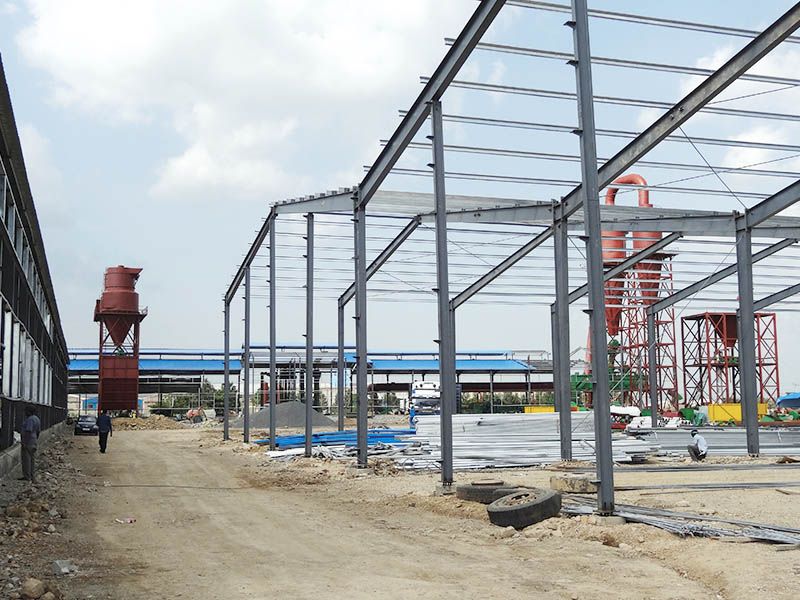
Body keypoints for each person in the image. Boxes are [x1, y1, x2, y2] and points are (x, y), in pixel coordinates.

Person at [19, 406, 41, 482]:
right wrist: (35, 439)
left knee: (26, 459)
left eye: (26, 411)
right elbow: (38, 431)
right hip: (34, 441)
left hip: (28, 442)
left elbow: (28, 431)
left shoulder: (30, 420)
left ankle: (27, 476)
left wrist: (24, 442)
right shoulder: (37, 419)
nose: (25, 413)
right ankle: (32, 475)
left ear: (29, 412)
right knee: (32, 460)